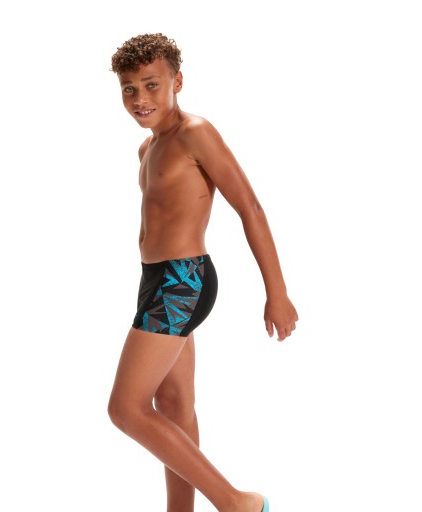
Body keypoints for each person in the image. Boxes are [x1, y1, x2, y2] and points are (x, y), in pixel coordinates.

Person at [107, 33, 298, 512]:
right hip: (156, 281)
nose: (140, 98)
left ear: (178, 82)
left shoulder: (196, 132)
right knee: (173, 405)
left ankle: (237, 503)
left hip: (183, 282)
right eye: (129, 88)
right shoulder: (147, 149)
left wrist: (277, 292)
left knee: (126, 409)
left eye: (151, 84)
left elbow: (250, 207)